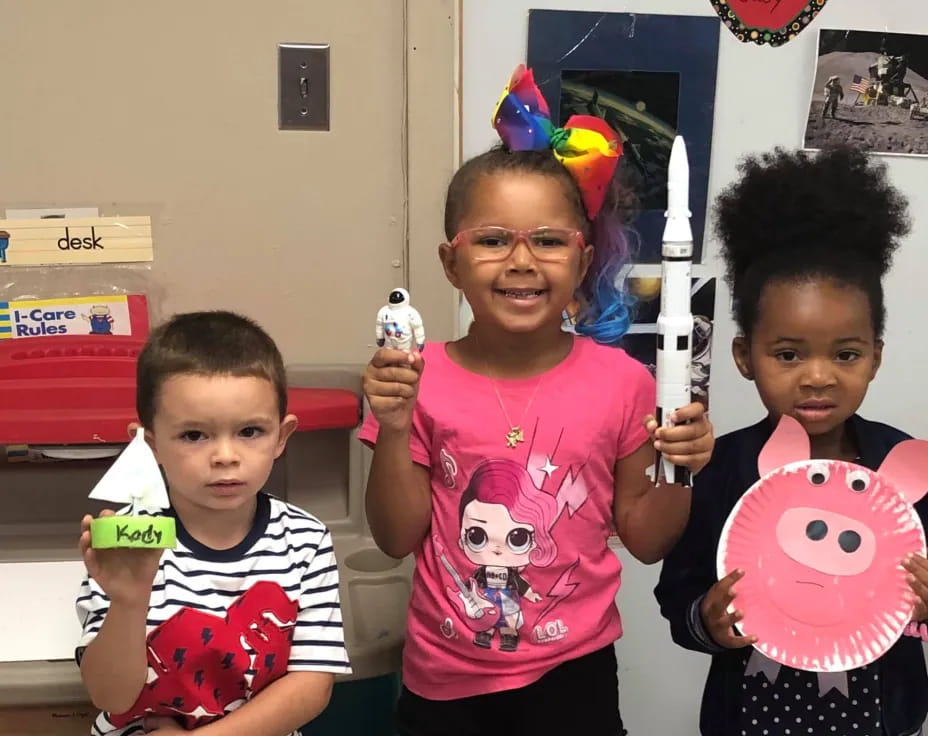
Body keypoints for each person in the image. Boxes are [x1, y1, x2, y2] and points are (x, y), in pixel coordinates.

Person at [360, 64, 714, 736]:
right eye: (493, 240)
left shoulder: (625, 384)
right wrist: (395, 422)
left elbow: (647, 540)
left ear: (582, 262)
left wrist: (682, 469)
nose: (521, 261)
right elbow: (393, 537)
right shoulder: (413, 376)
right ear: (450, 263)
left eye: (548, 241)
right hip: (444, 682)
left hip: (573, 678)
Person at [654, 146, 928, 736]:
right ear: (744, 357)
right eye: (788, 354)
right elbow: (678, 593)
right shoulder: (722, 467)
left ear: (875, 358)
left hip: (881, 720)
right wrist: (706, 618)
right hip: (748, 718)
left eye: (846, 354)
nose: (819, 376)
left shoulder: (904, 471)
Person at [76, 311, 351, 735]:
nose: (225, 455)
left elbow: (311, 684)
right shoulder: (128, 545)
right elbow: (110, 697)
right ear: (152, 446)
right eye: (194, 435)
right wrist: (129, 602)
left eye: (250, 431)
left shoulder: (306, 540)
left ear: (282, 436)